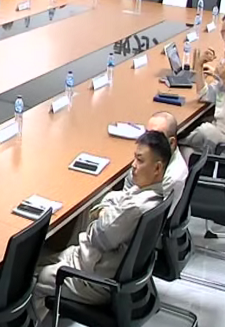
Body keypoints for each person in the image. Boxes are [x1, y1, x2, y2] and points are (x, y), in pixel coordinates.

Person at [35, 132, 168, 309]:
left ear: (157, 168)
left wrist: (100, 215)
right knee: (41, 261)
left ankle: (33, 324)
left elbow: (99, 237)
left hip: (97, 279)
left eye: (140, 160)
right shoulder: (152, 194)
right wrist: (105, 213)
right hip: (98, 262)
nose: (133, 165)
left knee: (41, 278)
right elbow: (114, 197)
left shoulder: (136, 207)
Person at [123, 112, 188, 215]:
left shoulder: (173, 178)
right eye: (147, 134)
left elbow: (163, 218)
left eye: (156, 137)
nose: (148, 140)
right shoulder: (153, 156)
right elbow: (129, 181)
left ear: (171, 143)